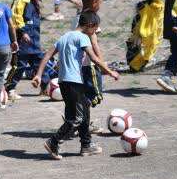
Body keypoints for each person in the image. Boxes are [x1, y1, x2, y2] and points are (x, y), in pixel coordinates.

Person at [32, 11, 119, 160]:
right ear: (89, 25)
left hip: (63, 82)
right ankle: (53, 142)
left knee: (84, 109)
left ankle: (86, 145)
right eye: (95, 29)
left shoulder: (64, 37)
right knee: (77, 118)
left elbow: (47, 55)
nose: (95, 32)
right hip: (74, 82)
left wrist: (39, 75)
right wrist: (110, 71)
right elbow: (94, 58)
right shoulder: (83, 37)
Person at [5, 0, 54, 100]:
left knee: (39, 63)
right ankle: (9, 88)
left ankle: (45, 87)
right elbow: (15, 17)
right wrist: (23, 32)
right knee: (19, 65)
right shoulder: (20, 0)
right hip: (23, 40)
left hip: (34, 39)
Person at [126, 0, 164, 73]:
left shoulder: (153, 10)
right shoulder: (146, 13)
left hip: (145, 39)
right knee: (139, 47)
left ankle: (136, 65)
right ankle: (135, 65)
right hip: (141, 40)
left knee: (143, 48)